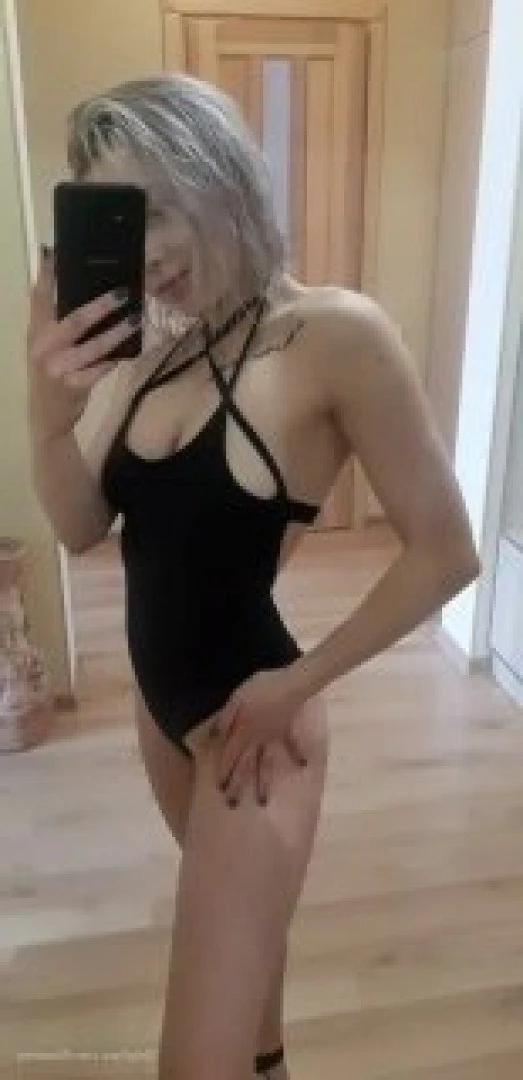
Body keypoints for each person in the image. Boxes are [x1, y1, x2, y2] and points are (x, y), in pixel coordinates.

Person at [26, 74, 481, 1080]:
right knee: (244, 968)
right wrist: (45, 410)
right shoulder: (150, 350)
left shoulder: (336, 335)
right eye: (123, 218)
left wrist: (298, 683)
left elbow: (446, 551)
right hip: (161, 710)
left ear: (219, 174)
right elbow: (80, 527)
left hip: (253, 728)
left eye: (160, 208)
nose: (146, 252)